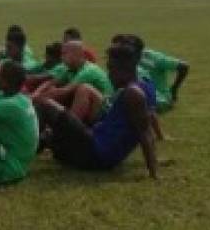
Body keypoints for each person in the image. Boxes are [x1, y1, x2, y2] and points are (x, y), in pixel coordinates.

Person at [33, 43, 158, 179]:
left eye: (111, 69)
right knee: (55, 141)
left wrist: (154, 175)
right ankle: (44, 142)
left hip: (96, 154)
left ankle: (30, 147)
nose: (109, 75)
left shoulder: (133, 93)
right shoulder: (143, 87)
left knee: (45, 104)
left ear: (124, 69)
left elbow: (145, 134)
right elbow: (147, 127)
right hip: (95, 146)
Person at [30, 40, 114, 124]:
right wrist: (36, 95)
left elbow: (64, 91)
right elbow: (51, 82)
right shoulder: (69, 68)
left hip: (105, 111)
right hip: (90, 109)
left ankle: (70, 128)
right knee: (51, 92)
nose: (61, 57)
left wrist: (38, 98)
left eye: (64, 54)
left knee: (83, 90)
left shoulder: (88, 71)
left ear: (76, 54)